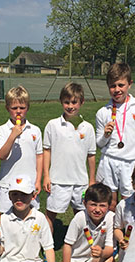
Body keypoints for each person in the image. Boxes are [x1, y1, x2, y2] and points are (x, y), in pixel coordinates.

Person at [95, 62, 135, 211]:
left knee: (129, 204)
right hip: (109, 161)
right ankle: (111, 234)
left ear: (130, 84)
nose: (117, 90)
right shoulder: (103, 112)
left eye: (121, 85)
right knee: (110, 203)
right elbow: (99, 144)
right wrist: (105, 135)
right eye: (113, 86)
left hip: (131, 162)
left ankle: (127, 233)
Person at [42, 82, 96, 231]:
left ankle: (82, 246)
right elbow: (47, 151)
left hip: (80, 182)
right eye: (66, 102)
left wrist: (91, 180)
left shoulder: (88, 128)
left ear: (81, 102)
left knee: (82, 215)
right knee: (50, 214)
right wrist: (46, 176)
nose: (70, 106)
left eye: (74, 102)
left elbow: (91, 156)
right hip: (58, 181)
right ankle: (48, 247)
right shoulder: (52, 125)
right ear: (61, 102)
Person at [58, 183, 115, 262]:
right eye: (93, 205)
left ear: (109, 205)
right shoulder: (79, 218)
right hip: (77, 258)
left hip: (96, 258)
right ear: (84, 204)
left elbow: (110, 248)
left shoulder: (111, 218)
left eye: (102, 205)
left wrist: (102, 253)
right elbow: (67, 245)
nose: (98, 210)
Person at [0, 86, 43, 214]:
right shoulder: (2, 130)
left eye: (22, 108)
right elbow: (2, 155)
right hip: (8, 183)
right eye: (14, 108)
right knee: (5, 219)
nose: (18, 112)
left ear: (27, 108)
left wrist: (38, 180)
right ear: (7, 108)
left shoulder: (35, 130)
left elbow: (39, 156)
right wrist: (12, 136)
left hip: (30, 183)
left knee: (32, 219)